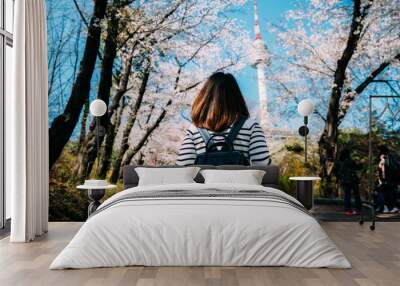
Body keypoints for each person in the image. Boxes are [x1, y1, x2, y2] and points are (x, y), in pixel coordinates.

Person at [176, 72, 271, 166]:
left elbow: (182, 168)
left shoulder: (194, 129)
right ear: (236, 96)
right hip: (239, 181)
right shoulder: (251, 126)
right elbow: (264, 168)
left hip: (204, 181)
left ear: (205, 98)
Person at [334, 149, 362, 215]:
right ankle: (358, 209)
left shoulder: (339, 162)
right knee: (356, 195)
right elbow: (357, 167)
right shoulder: (350, 161)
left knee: (347, 195)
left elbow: (335, 171)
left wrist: (339, 177)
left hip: (345, 181)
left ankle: (348, 210)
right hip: (353, 180)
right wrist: (361, 164)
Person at [377, 146, 399, 213]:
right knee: (390, 193)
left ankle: (386, 207)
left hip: (387, 179)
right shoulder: (392, 157)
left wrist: (382, 179)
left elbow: (383, 169)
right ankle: (392, 207)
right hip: (393, 179)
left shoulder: (384, 157)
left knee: (382, 192)